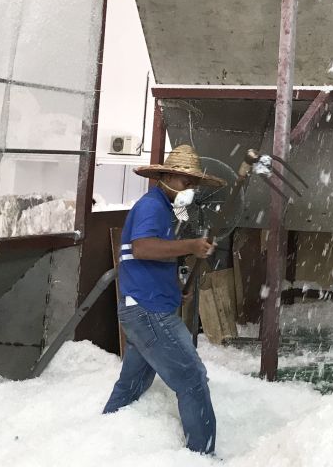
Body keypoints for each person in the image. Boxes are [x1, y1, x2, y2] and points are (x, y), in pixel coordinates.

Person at [102, 144, 224, 455]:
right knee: (192, 379)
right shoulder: (151, 207)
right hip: (149, 312)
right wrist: (190, 246)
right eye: (186, 182)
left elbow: (150, 259)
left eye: (194, 184)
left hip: (145, 307)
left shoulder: (163, 210)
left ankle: (102, 442)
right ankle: (202, 456)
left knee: (132, 385)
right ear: (167, 176)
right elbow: (143, 248)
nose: (190, 190)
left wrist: (175, 289)